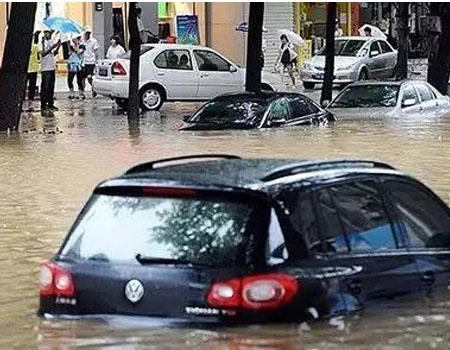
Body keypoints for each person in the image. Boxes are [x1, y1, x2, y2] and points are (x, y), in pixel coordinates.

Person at [39, 29, 61, 111]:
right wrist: (52, 47)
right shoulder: (41, 43)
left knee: (51, 87)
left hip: (52, 67)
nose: (50, 34)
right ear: (44, 33)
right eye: (48, 33)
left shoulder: (51, 41)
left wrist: (58, 47)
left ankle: (50, 104)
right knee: (45, 87)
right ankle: (43, 105)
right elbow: (43, 54)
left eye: (51, 33)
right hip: (45, 68)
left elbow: (53, 53)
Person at [81, 28, 99, 97]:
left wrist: (96, 61)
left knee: (89, 77)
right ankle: (82, 92)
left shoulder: (93, 41)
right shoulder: (83, 41)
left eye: (88, 33)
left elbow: (96, 52)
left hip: (91, 61)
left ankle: (94, 88)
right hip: (84, 61)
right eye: (86, 33)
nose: (87, 35)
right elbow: (80, 50)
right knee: (82, 78)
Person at [26, 31, 40, 111]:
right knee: (31, 88)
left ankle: (28, 105)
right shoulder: (36, 47)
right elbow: (38, 57)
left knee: (27, 89)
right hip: (32, 70)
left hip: (29, 70)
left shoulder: (33, 47)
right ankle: (30, 106)